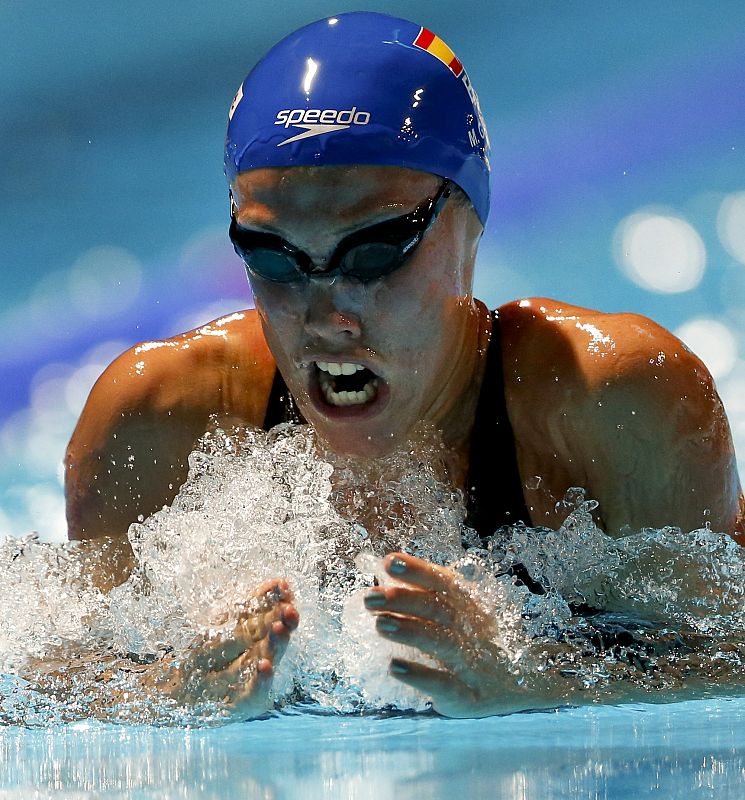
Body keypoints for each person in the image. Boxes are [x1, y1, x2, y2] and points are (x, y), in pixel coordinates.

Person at [64, 12, 743, 718]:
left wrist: (541, 678)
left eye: (374, 251)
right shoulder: (159, 422)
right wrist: (168, 694)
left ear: (468, 221)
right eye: (274, 258)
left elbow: (730, 655)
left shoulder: (613, 401)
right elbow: (53, 682)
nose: (326, 315)